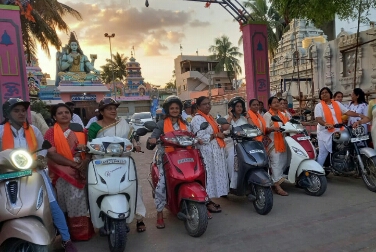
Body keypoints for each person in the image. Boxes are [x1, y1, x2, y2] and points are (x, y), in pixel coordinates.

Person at [0, 98, 77, 252]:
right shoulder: (0, 131)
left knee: (52, 204)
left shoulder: (33, 130)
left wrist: (40, 159)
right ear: (8, 114)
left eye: (23, 110)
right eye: (17, 110)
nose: (21, 113)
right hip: (7, 175)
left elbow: (43, 149)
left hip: (34, 173)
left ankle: (66, 239)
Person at [87, 98, 147, 233]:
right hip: (101, 163)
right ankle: (98, 217)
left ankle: (139, 218)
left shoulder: (123, 123)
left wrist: (136, 145)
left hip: (123, 161)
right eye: (109, 108)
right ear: (102, 111)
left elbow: (131, 139)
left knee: (135, 187)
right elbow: (89, 144)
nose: (113, 111)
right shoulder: (95, 126)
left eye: (114, 108)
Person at [45, 103, 94, 241]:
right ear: (54, 116)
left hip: (81, 168)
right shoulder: (50, 132)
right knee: (63, 202)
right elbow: (51, 154)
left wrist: (85, 162)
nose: (64, 115)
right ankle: (66, 234)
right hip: (60, 171)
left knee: (80, 201)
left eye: (66, 112)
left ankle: (82, 233)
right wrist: (72, 164)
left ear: (71, 114)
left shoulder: (81, 130)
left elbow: (90, 149)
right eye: (60, 113)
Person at [147, 96, 189, 229]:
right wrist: (152, 139)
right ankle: (159, 214)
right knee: (162, 184)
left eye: (177, 108)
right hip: (167, 156)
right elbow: (154, 135)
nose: (175, 110)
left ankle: (201, 204)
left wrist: (198, 139)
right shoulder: (161, 124)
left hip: (185, 155)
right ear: (167, 110)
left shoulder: (185, 123)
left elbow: (192, 134)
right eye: (172, 108)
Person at [191, 96, 229, 213]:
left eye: (209, 103)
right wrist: (216, 135)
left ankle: (208, 200)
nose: (208, 106)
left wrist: (220, 132)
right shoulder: (197, 119)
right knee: (208, 177)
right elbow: (201, 138)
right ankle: (205, 201)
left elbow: (214, 131)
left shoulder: (209, 117)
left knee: (213, 177)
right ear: (198, 107)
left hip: (215, 152)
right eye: (204, 104)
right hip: (206, 153)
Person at [314, 87, 368, 167]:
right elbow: (318, 119)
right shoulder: (319, 106)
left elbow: (348, 112)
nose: (324, 94)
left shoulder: (336, 103)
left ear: (330, 94)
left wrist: (360, 115)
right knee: (323, 153)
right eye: (322, 93)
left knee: (349, 142)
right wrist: (326, 124)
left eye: (326, 92)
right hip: (324, 132)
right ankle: (316, 172)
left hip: (338, 129)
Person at [224, 97, 254, 190]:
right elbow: (224, 128)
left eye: (241, 106)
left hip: (244, 142)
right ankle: (234, 183)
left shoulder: (244, 119)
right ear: (232, 107)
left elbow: (252, 128)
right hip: (230, 143)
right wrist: (230, 116)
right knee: (232, 157)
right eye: (237, 106)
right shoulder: (227, 118)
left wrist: (248, 116)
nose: (239, 108)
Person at [263, 97, 289, 196]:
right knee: (275, 162)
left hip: (282, 141)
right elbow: (264, 129)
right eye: (274, 103)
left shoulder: (282, 114)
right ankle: (277, 186)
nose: (277, 104)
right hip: (272, 142)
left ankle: (276, 181)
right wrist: (272, 129)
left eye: (278, 102)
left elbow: (287, 125)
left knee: (282, 161)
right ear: (269, 105)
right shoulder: (267, 115)